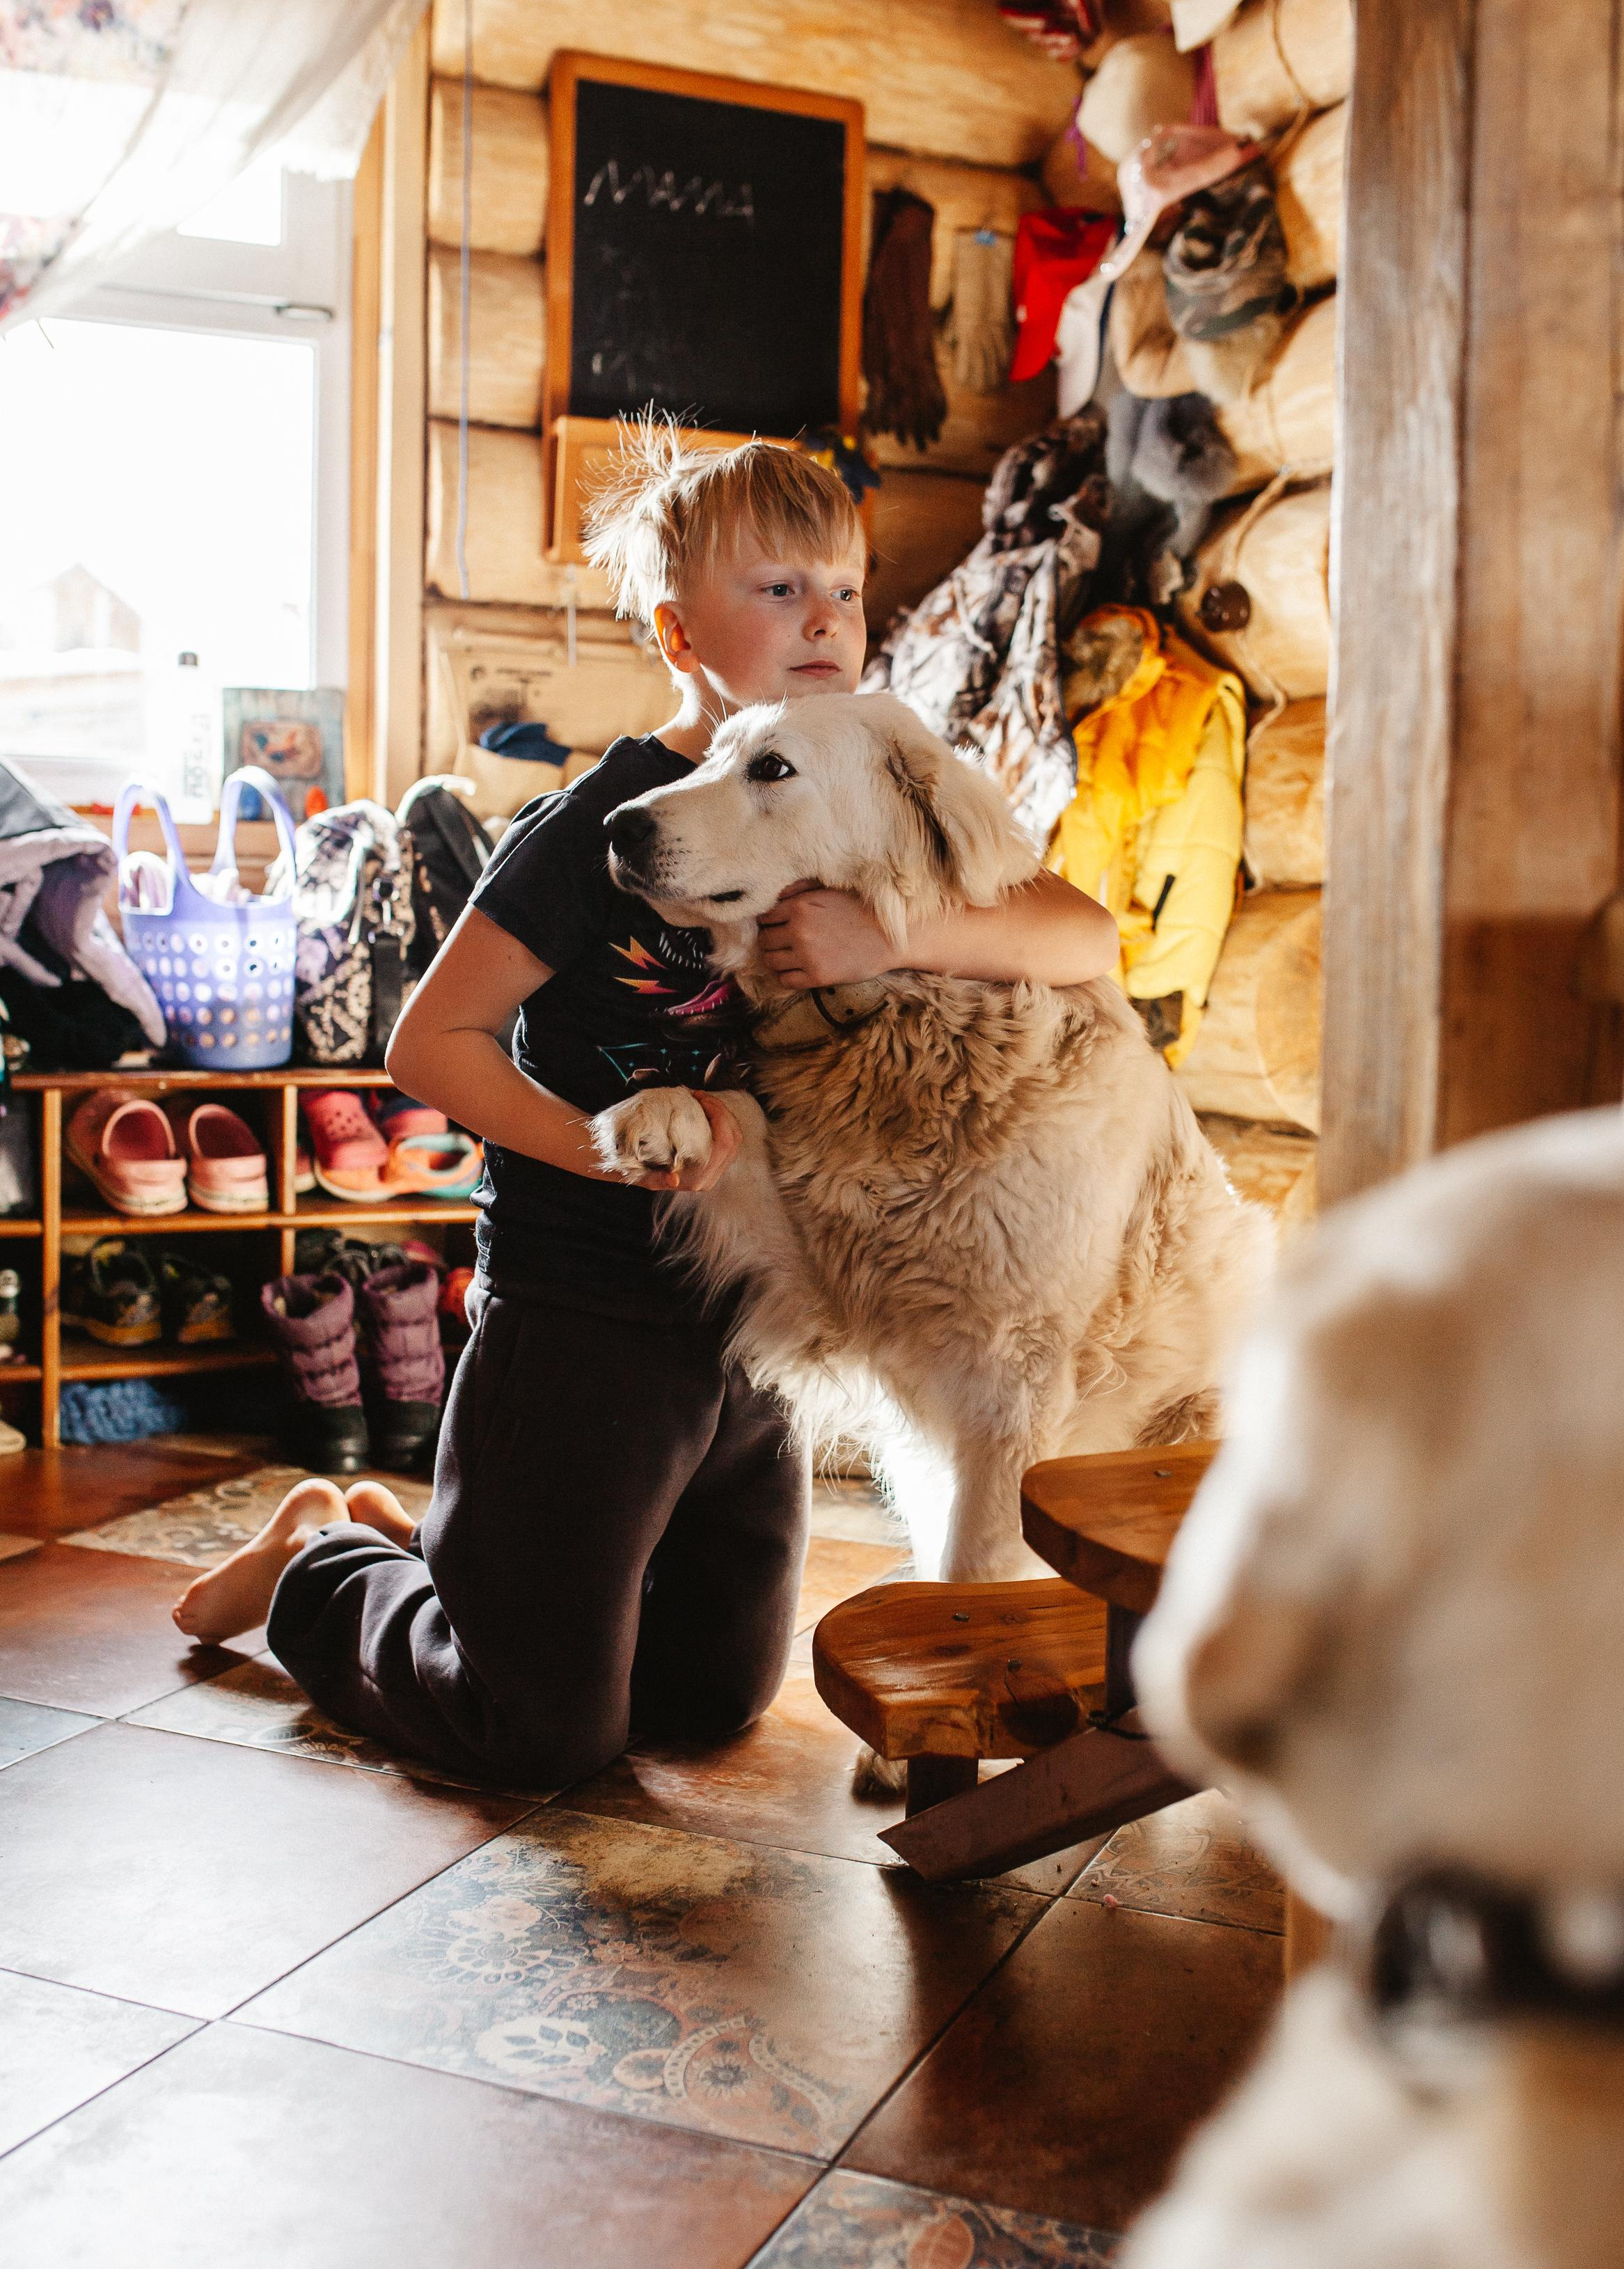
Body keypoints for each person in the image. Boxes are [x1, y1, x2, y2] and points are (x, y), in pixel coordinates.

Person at [173, 427, 1120, 1785]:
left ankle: (439, 1555)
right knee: (542, 1736)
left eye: (846, 589)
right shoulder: (596, 824)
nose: (826, 619)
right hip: (585, 1322)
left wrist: (885, 940)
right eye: (779, 588)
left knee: (711, 1704)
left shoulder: (849, 798)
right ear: (680, 632)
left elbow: (1083, 935)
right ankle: (319, 1568)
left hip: (753, 1332)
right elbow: (428, 1044)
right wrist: (598, 1153)